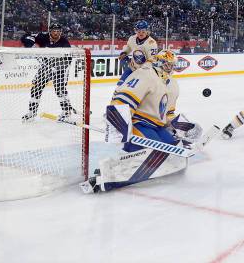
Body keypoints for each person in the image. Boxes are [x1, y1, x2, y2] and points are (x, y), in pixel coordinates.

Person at [82, 50, 202, 192]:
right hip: (139, 123)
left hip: (157, 127)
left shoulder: (172, 84)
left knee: (174, 153)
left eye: (172, 65)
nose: (170, 68)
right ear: (158, 62)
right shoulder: (145, 74)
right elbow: (122, 99)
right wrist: (118, 125)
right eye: (166, 64)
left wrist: (186, 127)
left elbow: (168, 114)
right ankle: (105, 177)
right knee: (153, 153)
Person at [21, 24, 75, 122]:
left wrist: (57, 67)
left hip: (59, 69)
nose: (56, 33)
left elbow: (68, 59)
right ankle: (32, 113)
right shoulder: (43, 37)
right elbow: (25, 37)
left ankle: (66, 112)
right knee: (36, 88)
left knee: (60, 90)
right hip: (45, 67)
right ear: (50, 31)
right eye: (54, 31)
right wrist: (30, 43)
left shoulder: (64, 42)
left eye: (58, 31)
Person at [116, 20, 158, 88]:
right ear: (136, 31)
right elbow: (128, 47)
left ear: (147, 31)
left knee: (138, 90)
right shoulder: (132, 39)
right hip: (133, 68)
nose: (141, 33)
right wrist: (124, 53)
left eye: (143, 31)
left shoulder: (151, 43)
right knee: (120, 86)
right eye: (139, 31)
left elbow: (152, 59)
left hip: (145, 72)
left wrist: (143, 70)